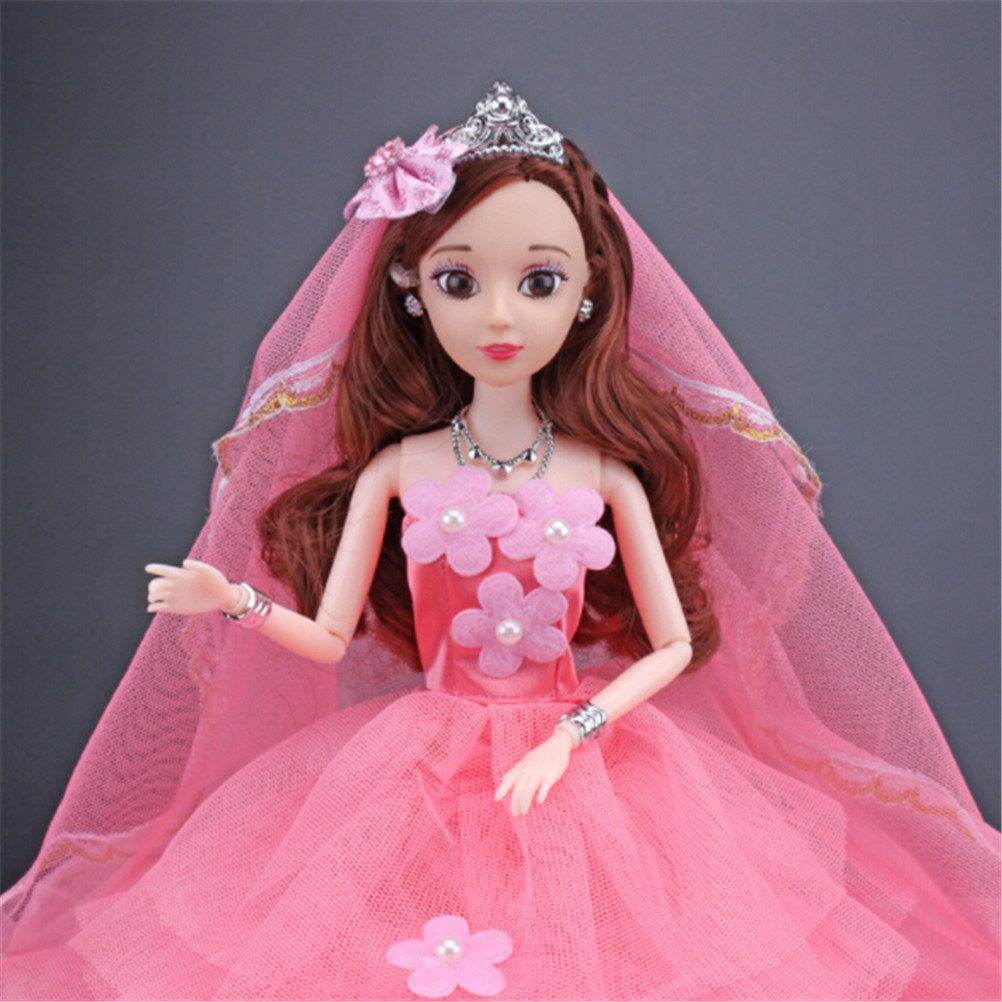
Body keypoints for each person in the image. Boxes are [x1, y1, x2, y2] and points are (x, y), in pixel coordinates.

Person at [2, 82, 998, 1001]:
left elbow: (673, 646)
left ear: (588, 292)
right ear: (412, 290)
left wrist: (573, 732)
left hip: (586, 760)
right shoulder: (399, 471)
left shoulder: (603, 478)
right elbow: (330, 636)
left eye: (538, 280)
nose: (499, 314)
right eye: (459, 280)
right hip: (417, 768)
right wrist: (236, 600)